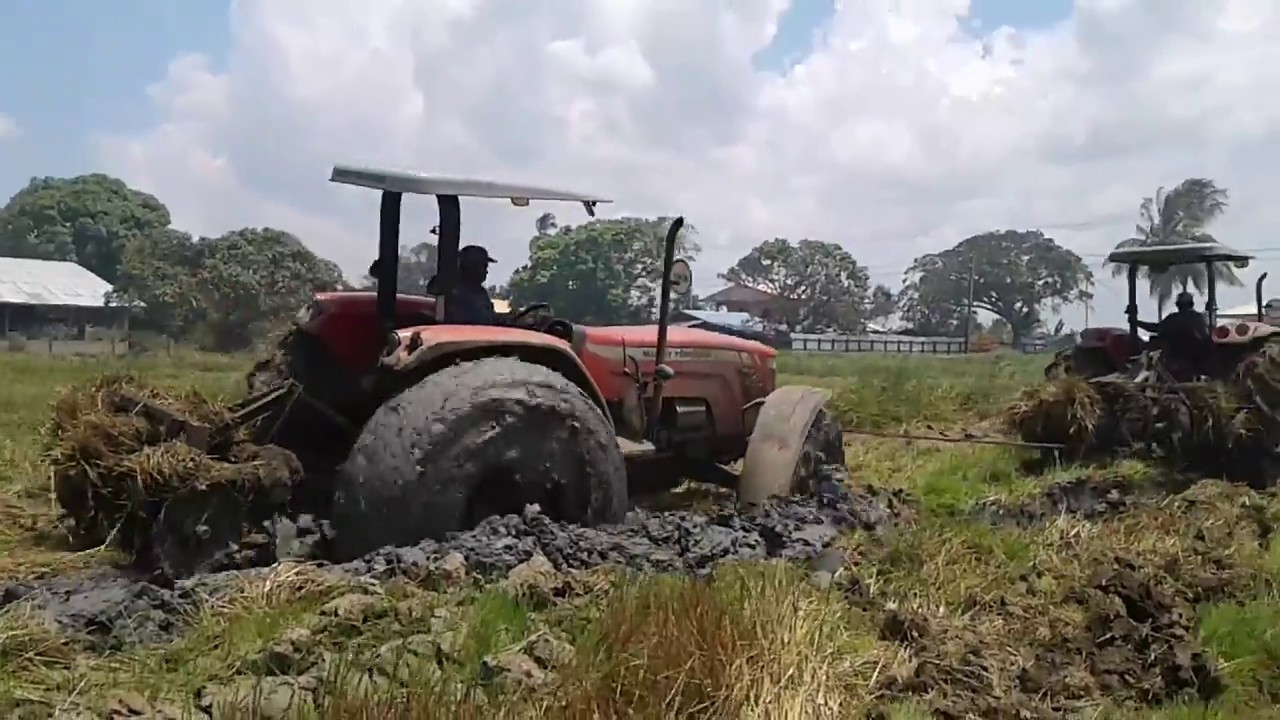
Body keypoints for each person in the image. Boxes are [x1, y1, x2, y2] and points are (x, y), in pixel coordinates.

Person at [1130, 291, 1210, 375]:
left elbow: (1155, 328)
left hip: (1175, 359)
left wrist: (1136, 322)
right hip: (1197, 361)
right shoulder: (1199, 319)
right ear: (1192, 304)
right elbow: (1205, 337)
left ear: (1178, 305)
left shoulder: (1173, 319)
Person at [443, 245, 499, 325]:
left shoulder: (481, 292)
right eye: (484, 267)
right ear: (471, 267)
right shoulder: (458, 294)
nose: (486, 272)